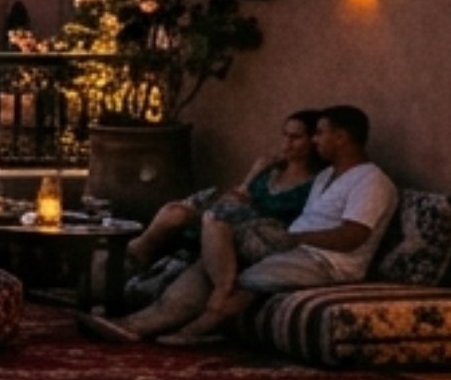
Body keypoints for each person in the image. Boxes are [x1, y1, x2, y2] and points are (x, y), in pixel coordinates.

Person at [91, 105, 392, 346]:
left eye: (320, 134)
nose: (315, 140)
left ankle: (206, 318)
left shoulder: (371, 180)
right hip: (289, 245)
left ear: (341, 137)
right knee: (205, 257)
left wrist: (293, 237)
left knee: (220, 224)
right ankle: (135, 325)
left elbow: (354, 235)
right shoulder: (328, 176)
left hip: (324, 260)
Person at [119, 109, 321, 294]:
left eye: (296, 137)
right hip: (227, 215)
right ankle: (137, 254)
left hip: (250, 231)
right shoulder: (269, 170)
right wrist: (254, 173)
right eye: (285, 135)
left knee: (188, 218)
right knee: (175, 212)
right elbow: (237, 194)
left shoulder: (314, 183)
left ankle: (135, 259)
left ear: (313, 140)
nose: (287, 143)